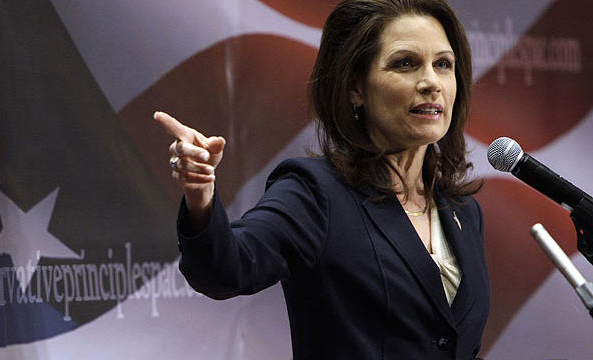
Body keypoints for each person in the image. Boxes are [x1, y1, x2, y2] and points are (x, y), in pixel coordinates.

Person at [155, 0, 489, 358]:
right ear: (355, 88)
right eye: (405, 63)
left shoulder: (463, 212)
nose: (431, 83)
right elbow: (225, 269)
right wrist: (200, 195)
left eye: (443, 64)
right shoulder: (315, 193)